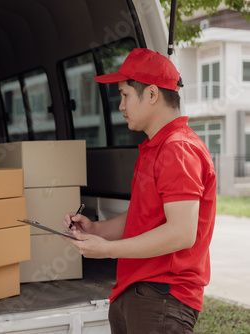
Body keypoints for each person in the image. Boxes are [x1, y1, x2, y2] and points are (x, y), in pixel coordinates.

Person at [62, 48, 216, 334]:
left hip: (162, 297)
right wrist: (96, 230)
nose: (120, 106)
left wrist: (108, 250)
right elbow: (140, 218)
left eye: (125, 95)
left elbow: (181, 233)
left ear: (153, 94)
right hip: (138, 294)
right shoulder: (155, 148)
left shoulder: (178, 149)